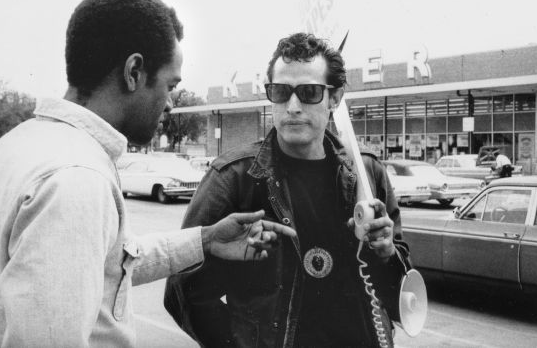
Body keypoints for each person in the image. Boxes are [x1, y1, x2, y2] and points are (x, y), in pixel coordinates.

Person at [0, 0, 295, 347]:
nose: (171, 104)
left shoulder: (18, 144)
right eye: (170, 85)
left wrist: (206, 239)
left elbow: (110, 263)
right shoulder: (76, 178)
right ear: (134, 72)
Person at [164, 33, 410, 347]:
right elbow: (183, 291)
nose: (292, 106)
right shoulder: (234, 177)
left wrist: (388, 253)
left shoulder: (368, 175)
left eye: (309, 92)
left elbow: (403, 290)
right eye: (281, 92)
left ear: (334, 98)